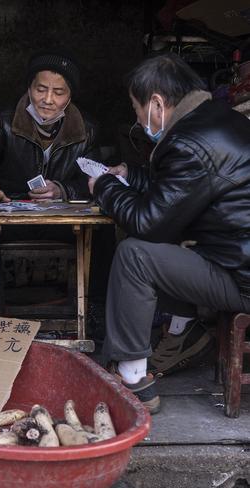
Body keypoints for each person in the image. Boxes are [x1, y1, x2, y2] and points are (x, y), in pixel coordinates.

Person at [89, 53, 250, 413]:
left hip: (242, 280)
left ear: (157, 104)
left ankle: (133, 379)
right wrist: (129, 175)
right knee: (164, 240)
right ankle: (184, 333)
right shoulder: (218, 121)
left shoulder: (190, 143)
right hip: (240, 260)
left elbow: (149, 222)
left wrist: (103, 187)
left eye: (136, 108)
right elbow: (181, 189)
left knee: (135, 255)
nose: (136, 119)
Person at [0, 50, 98, 204]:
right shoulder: (5, 121)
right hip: (9, 206)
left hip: (60, 219)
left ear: (70, 97)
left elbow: (93, 180)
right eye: (41, 90)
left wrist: (63, 190)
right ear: (29, 89)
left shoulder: (86, 129)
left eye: (58, 93)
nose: (48, 99)